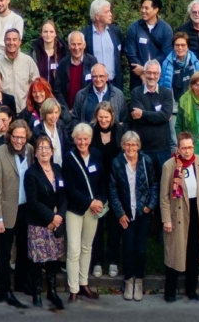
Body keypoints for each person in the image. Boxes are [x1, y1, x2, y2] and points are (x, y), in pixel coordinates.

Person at [0, 119, 35, 308]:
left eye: (22, 137)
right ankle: (5, 290)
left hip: (25, 209)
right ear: (9, 136)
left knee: (24, 249)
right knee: (4, 253)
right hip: (6, 210)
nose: (18, 141)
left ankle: (21, 284)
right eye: (15, 137)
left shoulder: (30, 150)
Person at [161, 132, 199, 302]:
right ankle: (170, 291)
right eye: (184, 148)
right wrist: (166, 219)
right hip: (178, 212)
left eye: (190, 147)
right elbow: (164, 196)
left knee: (193, 251)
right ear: (178, 148)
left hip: (197, 210)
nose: (187, 151)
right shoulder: (169, 166)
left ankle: (191, 290)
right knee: (176, 250)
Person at [109, 130, 156, 301]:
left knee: (141, 249)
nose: (130, 148)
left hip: (143, 212)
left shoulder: (146, 160)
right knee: (128, 248)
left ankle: (139, 281)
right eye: (127, 144)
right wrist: (120, 213)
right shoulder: (117, 163)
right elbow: (113, 190)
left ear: (138, 146)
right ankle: (129, 281)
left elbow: (154, 184)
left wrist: (150, 205)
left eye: (134, 144)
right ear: (122, 146)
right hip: (126, 214)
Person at [24, 135, 68, 309]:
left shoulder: (57, 169)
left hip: (57, 223)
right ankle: (37, 292)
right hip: (38, 223)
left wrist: (59, 217)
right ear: (35, 153)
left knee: (53, 259)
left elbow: (64, 196)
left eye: (47, 148)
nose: (43, 151)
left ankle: (52, 291)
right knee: (37, 260)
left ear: (52, 151)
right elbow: (33, 201)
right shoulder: (31, 173)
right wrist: (51, 217)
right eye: (40, 148)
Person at [62, 123, 105, 302]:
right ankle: (73, 289)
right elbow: (70, 188)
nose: (82, 142)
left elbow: (102, 181)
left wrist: (100, 200)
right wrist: (90, 202)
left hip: (93, 209)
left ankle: (83, 283)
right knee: (73, 249)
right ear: (74, 139)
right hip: (74, 209)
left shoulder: (97, 155)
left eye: (85, 139)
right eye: (78, 139)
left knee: (87, 247)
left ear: (90, 139)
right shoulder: (69, 158)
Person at [90, 103, 124, 279]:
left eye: (106, 117)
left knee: (114, 225)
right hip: (96, 185)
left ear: (112, 116)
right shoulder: (91, 132)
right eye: (100, 117)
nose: (103, 120)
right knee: (97, 224)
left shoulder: (119, 131)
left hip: (115, 185)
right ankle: (97, 261)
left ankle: (113, 261)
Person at [130, 60, 174, 170]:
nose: (152, 76)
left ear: (160, 75)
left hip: (162, 148)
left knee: (163, 180)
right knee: (145, 180)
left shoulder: (167, 93)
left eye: (155, 73)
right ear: (144, 73)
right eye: (149, 72)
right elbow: (139, 119)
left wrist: (143, 113)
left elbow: (166, 115)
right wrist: (160, 116)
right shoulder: (136, 93)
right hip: (143, 148)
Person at [125, 0, 174, 91]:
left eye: (146, 8)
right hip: (137, 77)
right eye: (142, 8)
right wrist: (141, 73)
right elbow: (130, 53)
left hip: (158, 77)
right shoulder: (134, 28)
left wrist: (148, 69)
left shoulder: (166, 30)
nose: (143, 11)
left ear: (156, 10)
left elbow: (166, 53)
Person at [0, 29, 40, 113]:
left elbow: (37, 83)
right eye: (8, 39)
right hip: (3, 111)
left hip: (25, 110)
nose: (11, 43)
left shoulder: (28, 61)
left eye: (14, 39)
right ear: (4, 41)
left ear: (19, 42)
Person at [82, 0, 124, 90]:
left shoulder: (115, 31)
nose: (110, 14)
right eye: (107, 12)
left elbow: (119, 56)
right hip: (94, 85)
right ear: (97, 16)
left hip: (114, 83)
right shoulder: (85, 35)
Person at [53, 31, 97, 110]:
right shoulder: (63, 63)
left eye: (79, 44)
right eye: (73, 44)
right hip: (67, 110)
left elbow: (96, 86)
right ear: (69, 46)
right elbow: (57, 89)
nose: (76, 48)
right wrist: (65, 109)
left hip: (87, 109)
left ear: (84, 45)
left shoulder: (92, 62)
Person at [160, 32, 199, 103]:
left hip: (192, 102)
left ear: (188, 47)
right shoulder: (166, 63)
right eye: (177, 45)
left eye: (183, 45)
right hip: (173, 103)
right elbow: (162, 85)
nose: (180, 48)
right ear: (173, 46)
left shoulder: (195, 62)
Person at [32, 99, 70, 167]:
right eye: (50, 113)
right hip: (47, 168)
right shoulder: (37, 130)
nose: (54, 116)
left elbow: (67, 145)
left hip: (63, 166)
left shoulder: (60, 124)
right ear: (44, 114)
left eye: (56, 112)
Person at [32, 20, 68, 86]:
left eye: (51, 32)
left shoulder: (63, 51)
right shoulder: (35, 52)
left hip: (58, 91)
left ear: (55, 34)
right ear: (41, 33)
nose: (48, 35)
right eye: (45, 32)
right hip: (40, 90)